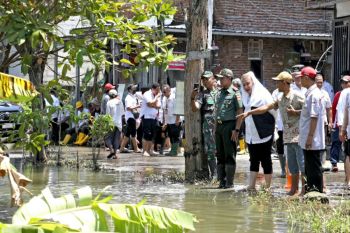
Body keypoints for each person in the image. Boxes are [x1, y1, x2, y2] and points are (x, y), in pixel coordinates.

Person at [238, 71, 305, 195]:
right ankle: (294, 189)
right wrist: (250, 113)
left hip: (299, 135)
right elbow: (266, 108)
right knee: (292, 165)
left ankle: (304, 190)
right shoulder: (279, 98)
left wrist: (296, 112)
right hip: (288, 136)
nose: (276, 84)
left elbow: (308, 110)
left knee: (302, 164)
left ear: (285, 83)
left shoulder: (297, 96)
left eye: (278, 82)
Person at [236, 71, 275, 191]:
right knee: (253, 159)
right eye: (244, 85)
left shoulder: (262, 94)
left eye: (248, 84)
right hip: (251, 134)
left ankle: (268, 187)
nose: (246, 87)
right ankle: (251, 185)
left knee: (266, 159)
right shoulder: (245, 96)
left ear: (253, 82)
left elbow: (272, 110)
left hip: (264, 132)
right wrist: (237, 129)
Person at [214, 68, 243, 188]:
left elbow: (240, 112)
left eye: (222, 78)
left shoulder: (235, 93)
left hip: (230, 126)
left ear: (229, 79)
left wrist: (236, 130)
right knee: (220, 155)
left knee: (229, 155)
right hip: (219, 126)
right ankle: (222, 181)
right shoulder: (219, 93)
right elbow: (217, 112)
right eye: (219, 78)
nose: (220, 80)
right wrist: (215, 129)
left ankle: (229, 183)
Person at [299, 66, 325, 193]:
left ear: (306, 78)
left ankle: (316, 193)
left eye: (301, 78)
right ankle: (311, 192)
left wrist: (310, 137)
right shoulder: (311, 92)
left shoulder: (314, 94)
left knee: (313, 167)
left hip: (312, 139)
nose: (299, 81)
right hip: (309, 138)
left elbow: (314, 117)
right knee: (310, 167)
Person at [191, 71, 218, 178]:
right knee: (210, 151)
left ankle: (224, 175)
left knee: (223, 150)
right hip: (209, 128)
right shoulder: (202, 94)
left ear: (213, 79)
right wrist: (192, 98)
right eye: (203, 80)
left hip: (221, 126)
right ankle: (214, 176)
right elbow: (195, 108)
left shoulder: (221, 92)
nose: (205, 81)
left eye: (207, 79)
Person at [332, 73, 350, 172]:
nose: (344, 84)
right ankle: (334, 162)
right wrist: (335, 124)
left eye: (346, 82)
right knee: (336, 143)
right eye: (342, 82)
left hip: (346, 124)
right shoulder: (339, 94)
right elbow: (335, 109)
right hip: (340, 123)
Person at [140, 83, 161, 156]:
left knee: (153, 134)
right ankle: (145, 151)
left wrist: (153, 104)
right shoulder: (147, 94)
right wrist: (155, 99)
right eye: (157, 90)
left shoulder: (156, 95)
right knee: (147, 134)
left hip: (154, 117)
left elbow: (158, 106)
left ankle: (150, 150)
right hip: (147, 116)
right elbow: (149, 103)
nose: (158, 92)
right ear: (153, 89)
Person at [119, 84, 141, 153]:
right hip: (130, 117)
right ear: (129, 90)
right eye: (133, 88)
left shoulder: (133, 97)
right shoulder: (128, 98)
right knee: (133, 134)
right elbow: (128, 108)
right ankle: (136, 148)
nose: (135, 89)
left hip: (132, 117)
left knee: (127, 135)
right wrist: (138, 106)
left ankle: (122, 148)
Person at [162, 85, 181, 156]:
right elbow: (165, 111)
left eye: (164, 92)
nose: (163, 93)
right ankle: (172, 151)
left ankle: (174, 151)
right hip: (169, 121)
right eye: (163, 92)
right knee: (171, 136)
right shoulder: (165, 98)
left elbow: (178, 109)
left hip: (174, 120)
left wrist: (177, 119)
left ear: (169, 91)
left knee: (175, 136)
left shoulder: (173, 98)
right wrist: (165, 122)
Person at [105, 89, 124, 159]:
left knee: (107, 137)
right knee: (116, 139)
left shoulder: (109, 102)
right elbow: (122, 113)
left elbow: (108, 115)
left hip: (111, 122)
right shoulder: (120, 102)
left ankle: (111, 149)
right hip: (119, 123)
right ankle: (115, 154)